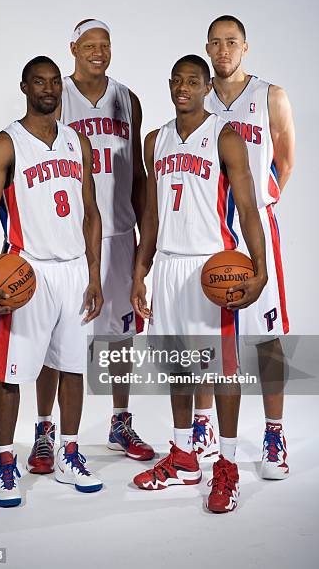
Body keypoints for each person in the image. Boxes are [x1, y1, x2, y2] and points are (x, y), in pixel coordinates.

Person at [131, 55, 267, 512]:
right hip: (168, 267)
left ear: (207, 86)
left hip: (214, 270)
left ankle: (226, 467)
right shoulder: (157, 140)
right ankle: (185, 457)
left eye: (193, 80)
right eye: (177, 80)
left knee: (223, 371)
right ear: (169, 84)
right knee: (178, 367)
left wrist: (260, 267)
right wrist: (140, 271)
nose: (183, 87)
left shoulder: (225, 137)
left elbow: (247, 208)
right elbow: (149, 214)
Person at [0, 56, 104, 507]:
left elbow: (92, 214)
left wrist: (95, 275)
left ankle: (68, 451)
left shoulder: (76, 142)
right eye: (38, 81)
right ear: (24, 86)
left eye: (53, 82)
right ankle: (6, 462)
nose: (48, 88)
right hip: (25, 271)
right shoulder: (5, 145)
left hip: (74, 271)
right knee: (10, 374)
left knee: (71, 367)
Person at [27, 19, 153, 475]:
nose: (98, 53)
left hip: (118, 234)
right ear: (73, 49)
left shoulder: (128, 99)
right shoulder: (56, 94)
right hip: (68, 239)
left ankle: (120, 423)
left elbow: (139, 174)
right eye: (89, 46)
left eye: (105, 46)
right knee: (55, 340)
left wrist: (143, 246)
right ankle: (45, 432)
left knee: (119, 338)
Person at [194, 15, 295, 479]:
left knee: (265, 337)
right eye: (214, 43)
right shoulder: (198, 98)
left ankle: (274, 434)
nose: (222, 51)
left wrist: (256, 210)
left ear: (246, 47)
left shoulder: (269, 95)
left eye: (231, 42)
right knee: (207, 336)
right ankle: (202, 427)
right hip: (209, 231)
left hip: (256, 229)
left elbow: (285, 160)